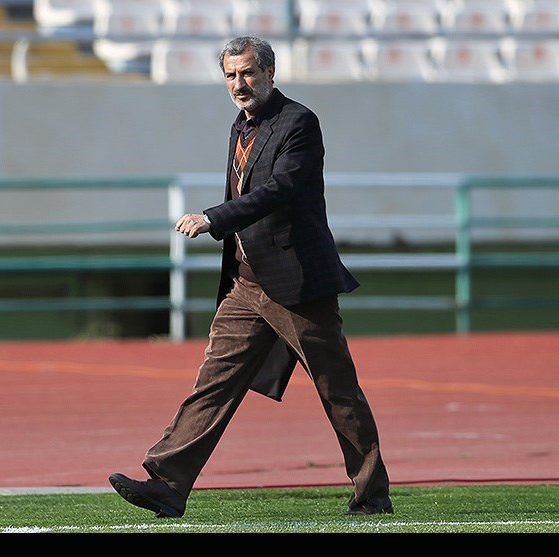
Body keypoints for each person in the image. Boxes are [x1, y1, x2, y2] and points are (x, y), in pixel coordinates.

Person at [108, 35, 392, 518]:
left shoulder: (299, 122)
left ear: (269, 73)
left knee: (337, 390)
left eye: (247, 73)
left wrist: (214, 218)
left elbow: (280, 189)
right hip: (245, 284)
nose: (238, 84)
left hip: (297, 285)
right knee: (213, 382)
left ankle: (372, 494)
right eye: (230, 75)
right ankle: (168, 484)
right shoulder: (240, 126)